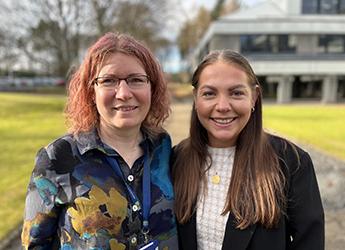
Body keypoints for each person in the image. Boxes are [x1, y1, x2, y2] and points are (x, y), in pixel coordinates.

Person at [21, 32, 178, 250]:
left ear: (152, 87)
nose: (123, 93)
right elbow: (35, 244)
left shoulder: (164, 148)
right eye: (108, 81)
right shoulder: (58, 157)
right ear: (91, 91)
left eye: (136, 80)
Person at [171, 49, 324, 250]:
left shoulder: (291, 162)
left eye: (236, 93)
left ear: (254, 97)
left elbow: (310, 242)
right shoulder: (175, 159)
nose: (223, 106)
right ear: (195, 98)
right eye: (209, 93)